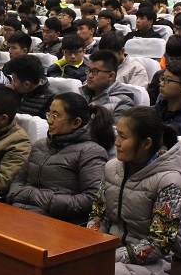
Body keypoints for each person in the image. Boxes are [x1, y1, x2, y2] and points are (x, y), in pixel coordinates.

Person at [87, 106, 181, 275]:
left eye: (123, 137)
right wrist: (92, 244)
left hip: (158, 263)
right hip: (112, 250)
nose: (116, 143)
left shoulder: (169, 182)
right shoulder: (112, 168)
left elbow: (160, 243)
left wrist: (111, 256)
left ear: (146, 143)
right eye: (117, 135)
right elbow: (98, 213)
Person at [7, 93, 114, 224]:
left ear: (76, 122)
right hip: (18, 213)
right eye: (49, 114)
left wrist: (38, 197)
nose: (49, 120)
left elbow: (92, 199)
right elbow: (18, 181)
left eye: (56, 115)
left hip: (56, 223)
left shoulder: (90, 152)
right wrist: (23, 195)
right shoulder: (40, 145)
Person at [80, 50, 137, 120]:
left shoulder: (123, 102)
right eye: (89, 71)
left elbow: (116, 130)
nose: (90, 76)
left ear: (111, 76)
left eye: (95, 72)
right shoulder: (82, 94)